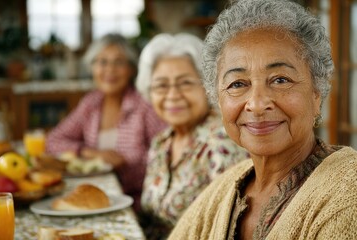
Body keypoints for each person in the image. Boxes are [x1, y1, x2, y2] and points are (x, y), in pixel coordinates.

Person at [168, 0, 357, 239]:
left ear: (316, 93)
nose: (257, 104)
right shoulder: (227, 187)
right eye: (237, 84)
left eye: (280, 80)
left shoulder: (348, 195)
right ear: (218, 99)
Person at [136, 33, 249, 239]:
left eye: (185, 83)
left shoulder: (223, 141)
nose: (172, 95)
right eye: (161, 85)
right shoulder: (161, 142)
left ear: (208, 87)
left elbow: (230, 227)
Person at [46, 34, 166, 211]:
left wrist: (127, 165)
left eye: (119, 62)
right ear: (92, 67)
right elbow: (53, 141)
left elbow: (165, 153)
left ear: (132, 69)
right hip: (93, 197)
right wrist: (91, 153)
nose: (110, 70)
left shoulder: (145, 105)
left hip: (138, 203)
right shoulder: (90, 103)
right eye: (102, 62)